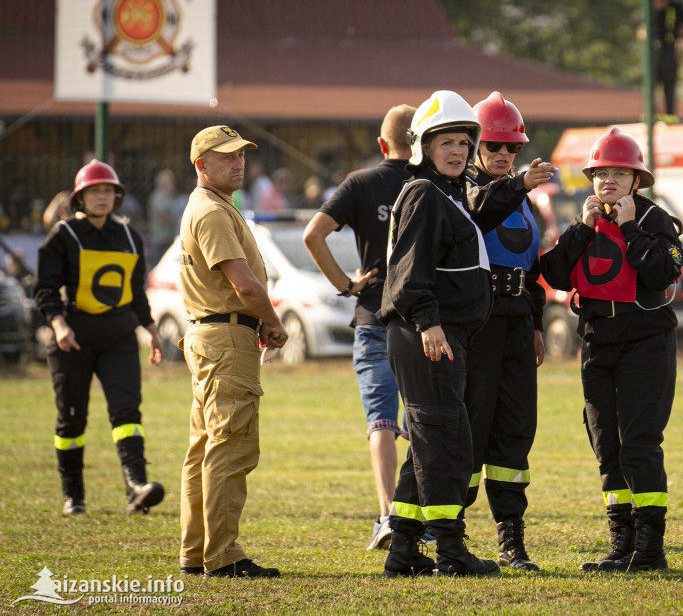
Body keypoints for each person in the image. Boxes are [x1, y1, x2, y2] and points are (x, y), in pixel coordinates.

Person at [378, 90, 544, 577]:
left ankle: (403, 550)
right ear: (423, 147)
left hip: (446, 334)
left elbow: (483, 213)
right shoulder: (424, 194)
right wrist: (429, 323)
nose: (456, 150)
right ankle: (451, 551)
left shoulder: (446, 193)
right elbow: (409, 276)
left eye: (462, 142)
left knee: (432, 441)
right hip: (427, 335)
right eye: (445, 142)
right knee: (446, 443)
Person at [540, 127, 683, 573]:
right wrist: (584, 230)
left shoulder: (655, 220)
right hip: (598, 342)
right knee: (606, 444)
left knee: (640, 444)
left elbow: (662, 271)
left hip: (646, 343)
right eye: (601, 173)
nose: (608, 182)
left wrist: (627, 228)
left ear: (636, 179)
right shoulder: (584, 223)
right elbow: (556, 274)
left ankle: (651, 549)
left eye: (619, 173)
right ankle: (621, 542)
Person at [302, 104, 416, 551]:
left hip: (374, 316)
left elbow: (314, 235)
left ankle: (387, 515)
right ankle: (418, 514)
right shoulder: (435, 183)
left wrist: (345, 285)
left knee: (381, 422)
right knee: (425, 419)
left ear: (381, 144)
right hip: (424, 321)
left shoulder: (361, 183)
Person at [178, 125, 289, 579]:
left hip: (211, 338)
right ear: (201, 164)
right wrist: (274, 320)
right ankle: (221, 555)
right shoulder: (213, 212)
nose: (238, 162)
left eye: (241, 155)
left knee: (205, 447)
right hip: (225, 340)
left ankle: (196, 550)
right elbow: (244, 283)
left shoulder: (210, 206)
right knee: (229, 447)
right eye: (226, 157)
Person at [34, 160, 165, 516]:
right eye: (95, 191)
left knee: (127, 413)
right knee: (72, 420)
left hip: (119, 337)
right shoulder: (63, 235)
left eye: (109, 190)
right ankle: (73, 496)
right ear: (81, 197)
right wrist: (59, 325)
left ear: (117, 196)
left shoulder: (129, 236)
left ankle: (136, 488)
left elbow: (136, 292)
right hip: (72, 339)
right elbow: (44, 288)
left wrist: (151, 330)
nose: (103, 196)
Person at [462, 92, 550, 571]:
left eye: (512, 148)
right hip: (479, 322)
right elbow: (481, 211)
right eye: (494, 145)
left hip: (516, 319)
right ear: (476, 145)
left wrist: (536, 324)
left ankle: (511, 540)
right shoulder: (470, 189)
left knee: (515, 431)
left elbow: (532, 269)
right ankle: (448, 532)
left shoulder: (520, 198)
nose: (503, 155)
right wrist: (516, 182)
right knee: (472, 427)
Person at [652, 0, 683, 119]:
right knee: (651, 86)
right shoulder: (650, 10)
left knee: (670, 87)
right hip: (654, 51)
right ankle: (652, 115)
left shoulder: (676, 8)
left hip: (670, 50)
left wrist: (682, 54)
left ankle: (670, 116)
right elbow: (641, 31)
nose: (659, 3)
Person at [147, 169, 182, 261]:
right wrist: (176, 224)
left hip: (169, 237)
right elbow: (161, 215)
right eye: (169, 181)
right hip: (162, 238)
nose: (172, 184)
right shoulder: (159, 196)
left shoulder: (168, 196)